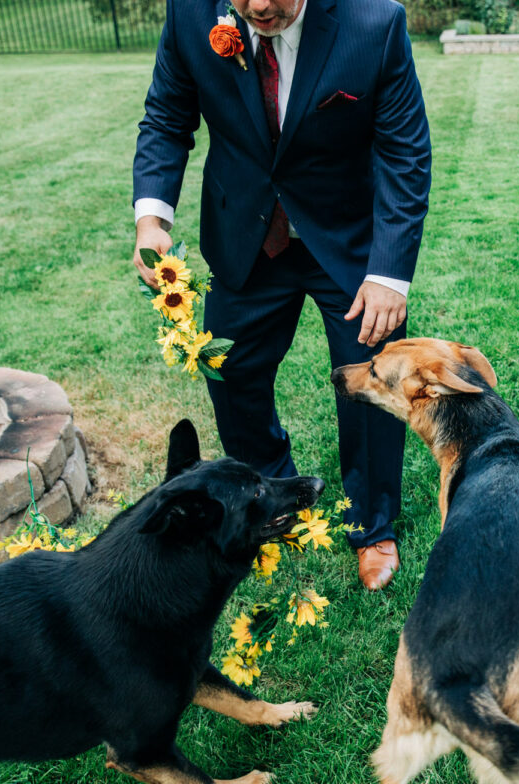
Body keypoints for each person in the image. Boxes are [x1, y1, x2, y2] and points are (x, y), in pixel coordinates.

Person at [132, 0, 431, 590]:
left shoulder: (374, 23)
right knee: (231, 368)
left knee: (368, 382)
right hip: (243, 232)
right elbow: (167, 115)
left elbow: (404, 150)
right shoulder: (192, 15)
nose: (260, 6)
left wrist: (389, 275)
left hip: (347, 242)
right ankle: (273, 496)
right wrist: (151, 219)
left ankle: (372, 526)